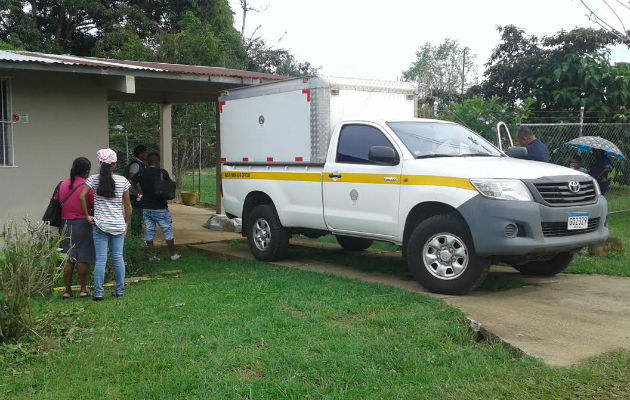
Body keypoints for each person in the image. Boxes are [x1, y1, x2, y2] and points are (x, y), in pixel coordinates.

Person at [80, 149, 131, 301]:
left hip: (100, 224)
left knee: (101, 259)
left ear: (100, 163)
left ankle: (98, 293)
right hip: (118, 225)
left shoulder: (93, 180)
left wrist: (87, 216)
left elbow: (81, 197)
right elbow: (127, 205)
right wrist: (126, 223)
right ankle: (120, 290)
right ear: (114, 165)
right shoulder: (123, 181)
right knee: (118, 257)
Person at [56, 157, 95, 299]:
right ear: (86, 171)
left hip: (65, 224)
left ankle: (67, 290)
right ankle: (83, 289)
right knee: (83, 257)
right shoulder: (87, 186)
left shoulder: (62, 184)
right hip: (82, 224)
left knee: (68, 257)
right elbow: (92, 203)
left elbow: (59, 201)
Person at [133, 152, 181, 261]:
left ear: (148, 162)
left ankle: (152, 256)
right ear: (158, 162)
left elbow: (130, 182)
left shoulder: (142, 172)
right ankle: (173, 255)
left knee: (149, 232)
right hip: (160, 207)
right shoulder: (162, 172)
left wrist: (138, 194)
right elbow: (169, 186)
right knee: (167, 230)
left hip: (146, 207)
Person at [124, 144, 148, 237]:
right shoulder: (135, 165)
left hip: (136, 194)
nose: (146, 155)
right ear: (140, 154)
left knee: (138, 212)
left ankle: (136, 233)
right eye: (145, 153)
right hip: (135, 194)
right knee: (137, 212)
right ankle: (135, 233)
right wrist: (137, 193)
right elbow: (130, 179)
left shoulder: (140, 164)